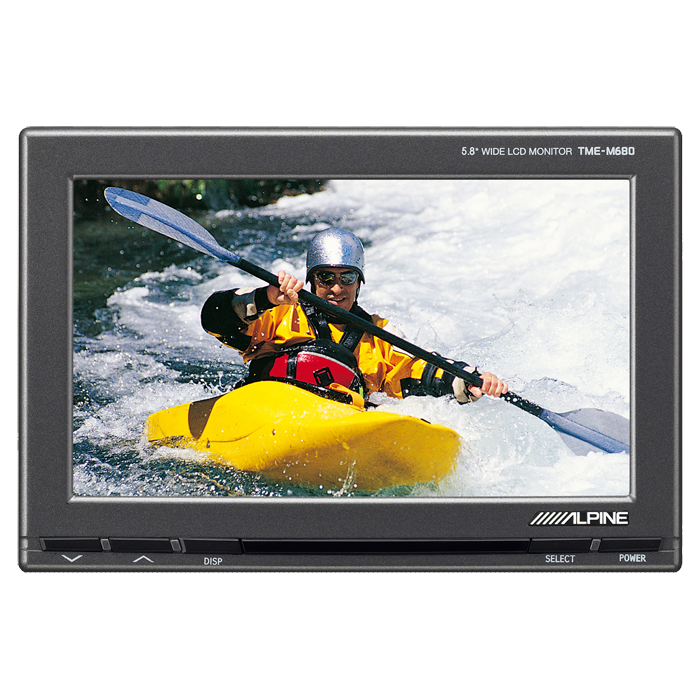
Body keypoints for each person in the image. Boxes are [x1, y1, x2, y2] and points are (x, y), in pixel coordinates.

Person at [201, 227, 508, 404]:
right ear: (311, 280)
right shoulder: (279, 312)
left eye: (347, 277)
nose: (337, 288)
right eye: (325, 277)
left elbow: (419, 368)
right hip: (265, 410)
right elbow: (213, 319)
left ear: (359, 282)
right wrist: (265, 298)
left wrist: (466, 380)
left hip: (337, 424)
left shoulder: (379, 335)